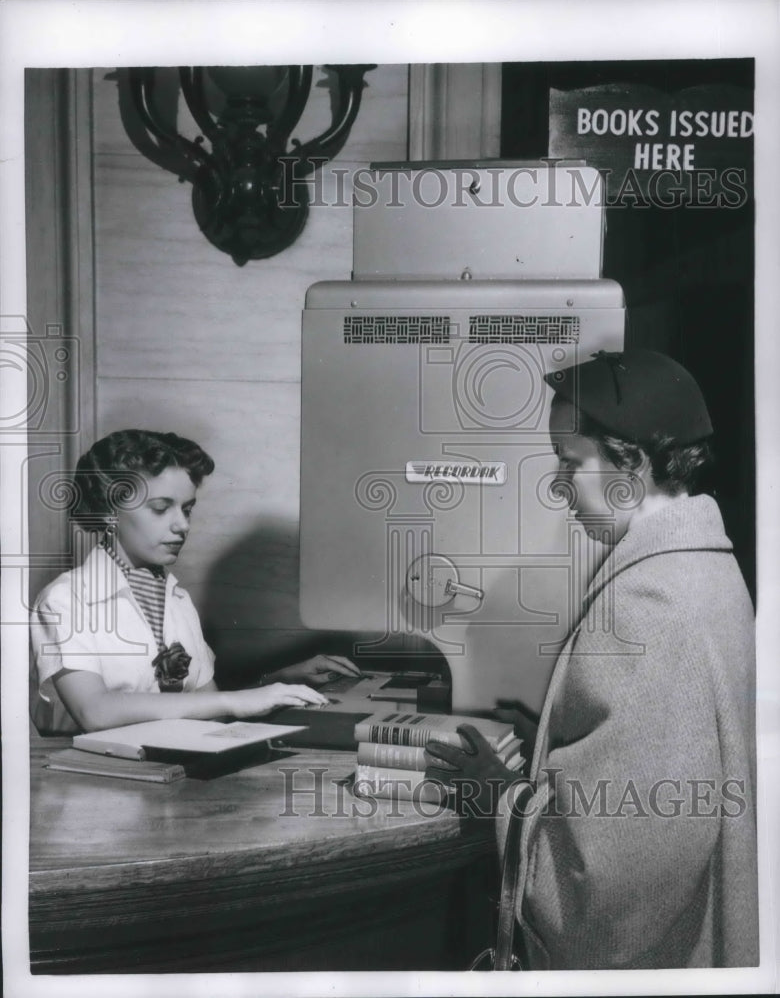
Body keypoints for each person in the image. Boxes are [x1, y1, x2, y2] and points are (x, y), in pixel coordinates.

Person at [426, 349, 758, 969]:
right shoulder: (704, 567)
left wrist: (500, 796)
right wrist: (558, 743)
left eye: (570, 463)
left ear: (629, 463)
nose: (559, 486)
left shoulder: (648, 601)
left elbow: (608, 888)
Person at [30, 429, 360, 735]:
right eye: (161, 508)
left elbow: (210, 708)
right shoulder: (65, 600)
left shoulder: (176, 599)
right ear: (108, 512)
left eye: (187, 509)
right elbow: (95, 711)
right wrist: (236, 701)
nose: (183, 525)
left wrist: (277, 682)